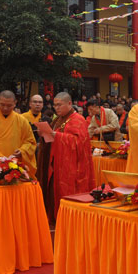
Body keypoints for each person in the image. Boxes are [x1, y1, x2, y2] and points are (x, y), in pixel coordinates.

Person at [36, 92, 94, 223]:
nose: (56, 108)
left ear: (69, 103)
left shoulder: (78, 119)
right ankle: (54, 218)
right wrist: (44, 133)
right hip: (55, 164)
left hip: (71, 167)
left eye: (59, 105)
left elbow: (79, 142)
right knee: (52, 192)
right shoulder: (58, 119)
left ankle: (66, 219)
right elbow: (52, 137)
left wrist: (57, 135)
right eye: (55, 105)